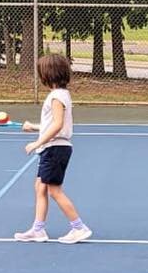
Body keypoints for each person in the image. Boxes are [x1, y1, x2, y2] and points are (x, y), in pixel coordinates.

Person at [13, 52, 92, 244]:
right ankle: (37, 230)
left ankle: (79, 227)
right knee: (40, 186)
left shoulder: (56, 97)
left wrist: (37, 143)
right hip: (54, 147)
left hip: (55, 149)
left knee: (54, 190)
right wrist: (34, 127)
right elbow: (55, 124)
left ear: (47, 75)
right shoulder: (61, 95)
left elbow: (57, 126)